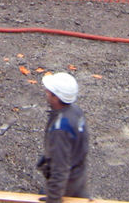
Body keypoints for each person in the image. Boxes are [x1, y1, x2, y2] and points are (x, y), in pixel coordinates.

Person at [37, 72, 89, 202]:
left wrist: (53, 198)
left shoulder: (60, 128)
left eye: (49, 91)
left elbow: (60, 169)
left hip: (66, 186)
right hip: (78, 179)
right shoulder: (75, 111)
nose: (46, 92)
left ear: (56, 97)